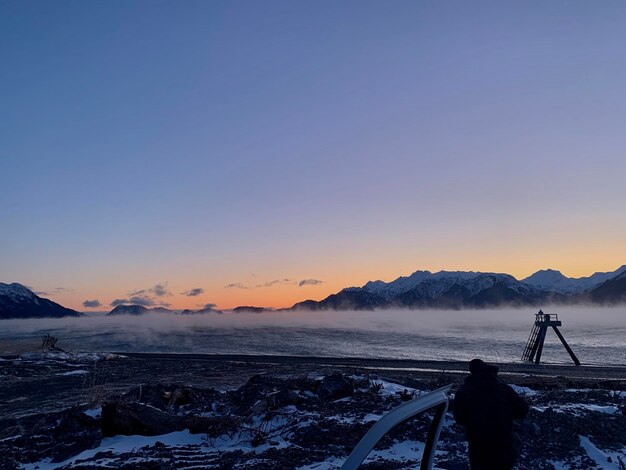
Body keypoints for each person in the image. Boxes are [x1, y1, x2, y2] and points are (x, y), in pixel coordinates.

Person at [453, 359, 529, 470]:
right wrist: (505, 416)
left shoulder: (464, 391)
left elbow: (459, 418)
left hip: (478, 444)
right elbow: (522, 409)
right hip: (502, 441)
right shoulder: (502, 387)